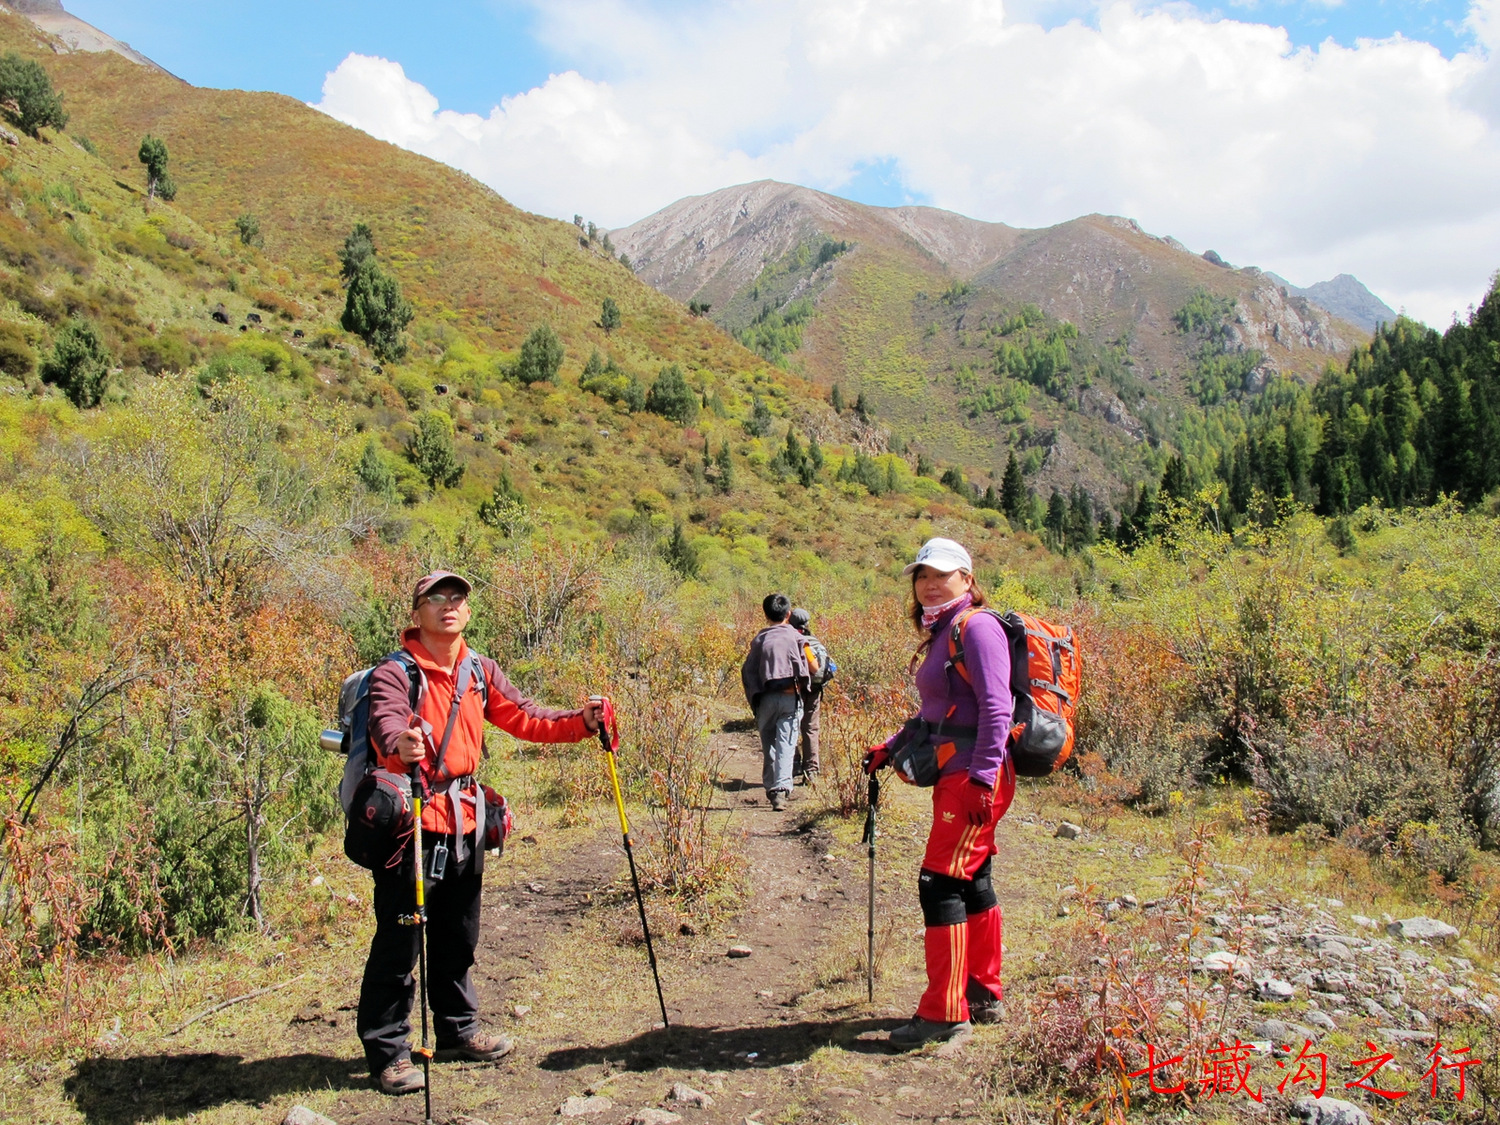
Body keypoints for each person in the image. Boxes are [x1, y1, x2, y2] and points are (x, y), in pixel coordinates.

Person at [359, 570, 604, 1095]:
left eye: (457, 598)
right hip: (412, 825)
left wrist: (581, 722)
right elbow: (385, 723)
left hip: (465, 822)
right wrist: (400, 744)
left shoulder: (478, 669)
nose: (448, 605)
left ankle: (456, 1030)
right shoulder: (395, 672)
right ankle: (388, 1053)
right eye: (436, 597)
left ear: (468, 611)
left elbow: (526, 717)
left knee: (458, 935)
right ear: (417, 611)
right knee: (400, 942)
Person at [864, 538, 1015, 1046]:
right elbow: (935, 712)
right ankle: (982, 993)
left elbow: (997, 708)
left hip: (973, 775)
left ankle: (944, 1014)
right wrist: (893, 746)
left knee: (940, 882)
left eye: (942, 574)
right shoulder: (945, 630)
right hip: (960, 772)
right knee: (972, 879)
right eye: (922, 575)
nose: (930, 583)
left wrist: (982, 780)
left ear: (967, 580)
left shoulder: (978, 627)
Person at [740, 593, 809, 812]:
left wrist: (754, 699)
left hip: (765, 699)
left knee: (768, 743)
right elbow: (805, 666)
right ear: (788, 614)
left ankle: (771, 787)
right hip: (790, 697)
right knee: (786, 743)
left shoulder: (759, 639)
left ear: (766, 614)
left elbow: (748, 671)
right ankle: (781, 790)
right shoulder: (795, 636)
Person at [788, 607, 830, 783]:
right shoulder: (814, 641)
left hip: (794, 689)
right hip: (814, 689)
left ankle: (794, 764)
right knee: (811, 728)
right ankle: (811, 771)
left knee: (790, 725)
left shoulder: (791, 640)